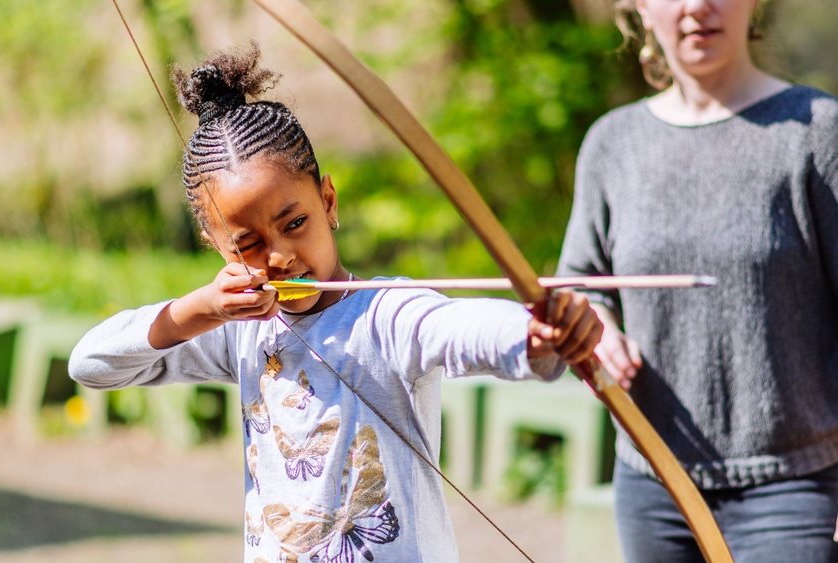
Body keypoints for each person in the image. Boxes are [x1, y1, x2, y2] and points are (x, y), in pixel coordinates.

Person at [69, 43, 603, 563]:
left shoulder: (385, 313)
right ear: (217, 247)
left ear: (328, 201)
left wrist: (535, 331)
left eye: (296, 222)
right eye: (248, 244)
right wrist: (200, 309)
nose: (280, 255)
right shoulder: (239, 331)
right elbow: (90, 363)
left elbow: (458, 326)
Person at [555, 1, 838, 562]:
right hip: (652, 484)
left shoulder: (819, 128)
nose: (698, 6)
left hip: (797, 492)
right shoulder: (612, 142)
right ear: (642, 10)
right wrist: (597, 328)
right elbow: (580, 281)